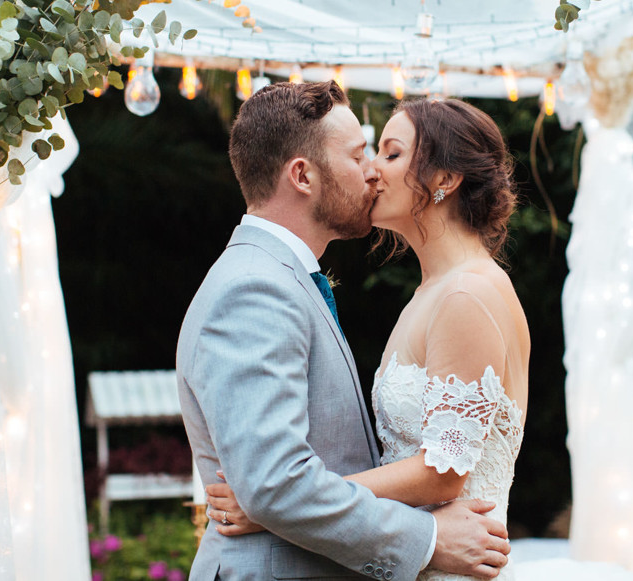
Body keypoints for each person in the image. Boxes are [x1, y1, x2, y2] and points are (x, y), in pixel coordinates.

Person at [177, 82, 511, 581]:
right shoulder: (254, 289)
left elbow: (273, 488)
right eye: (359, 155)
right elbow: (276, 485)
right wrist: (430, 540)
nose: (372, 172)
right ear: (303, 175)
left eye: (387, 153)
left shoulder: (280, 280)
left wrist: (264, 501)